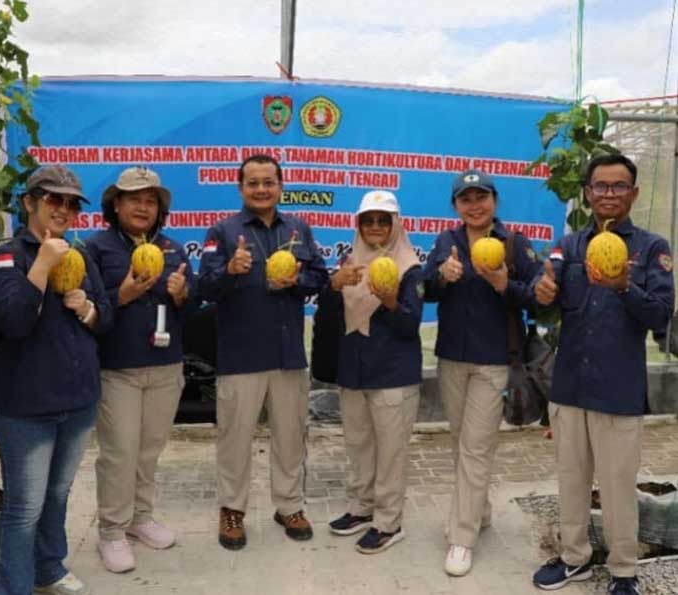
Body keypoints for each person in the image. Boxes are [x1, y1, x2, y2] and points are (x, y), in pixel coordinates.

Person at [531, 154, 674, 595]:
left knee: (616, 487)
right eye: (600, 186)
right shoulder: (569, 246)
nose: (608, 194)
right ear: (588, 192)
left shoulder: (652, 249)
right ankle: (574, 557)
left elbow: (661, 313)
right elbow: (547, 307)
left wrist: (622, 286)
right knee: (571, 481)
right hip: (571, 384)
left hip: (618, 389)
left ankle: (624, 571)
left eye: (618, 186)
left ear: (632, 192)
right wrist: (542, 294)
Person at [0, 165, 112, 595]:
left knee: (58, 494)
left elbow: (105, 318)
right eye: (54, 199)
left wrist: (87, 308)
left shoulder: (82, 254)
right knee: (24, 507)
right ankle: (13, 586)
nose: (64, 209)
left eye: (72, 203)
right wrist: (41, 266)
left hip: (78, 400)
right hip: (26, 407)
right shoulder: (7, 257)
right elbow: (15, 321)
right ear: (29, 203)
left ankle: (49, 568)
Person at [198, 154, 329, 550]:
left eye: (268, 182)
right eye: (252, 183)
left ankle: (289, 505)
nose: (261, 189)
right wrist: (230, 272)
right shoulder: (222, 231)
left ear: (280, 186)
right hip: (242, 354)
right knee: (234, 438)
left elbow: (320, 278)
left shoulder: (299, 228)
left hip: (289, 354)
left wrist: (297, 280)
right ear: (241, 188)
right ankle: (232, 509)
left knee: (291, 436)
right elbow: (204, 288)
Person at [423, 169, 541, 576]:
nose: (475, 205)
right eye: (466, 198)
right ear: (456, 206)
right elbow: (425, 288)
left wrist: (505, 283)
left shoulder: (514, 244)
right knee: (461, 442)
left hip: (495, 362)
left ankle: (462, 536)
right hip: (452, 359)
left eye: (482, 196)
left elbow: (538, 299)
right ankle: (480, 509)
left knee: (475, 447)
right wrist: (442, 276)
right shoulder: (447, 242)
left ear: (495, 200)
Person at [85, 166, 194, 573]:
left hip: (166, 366)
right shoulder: (95, 250)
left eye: (151, 201)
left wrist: (184, 295)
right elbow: (90, 309)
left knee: (149, 450)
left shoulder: (172, 248)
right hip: (119, 369)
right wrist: (123, 294)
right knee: (119, 453)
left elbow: (192, 301)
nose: (143, 207)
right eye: (134, 199)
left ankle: (139, 518)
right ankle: (111, 531)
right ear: (116, 204)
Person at [325, 190, 423, 554]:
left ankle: (388, 521)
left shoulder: (410, 267)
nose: (376, 227)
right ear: (359, 225)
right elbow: (332, 315)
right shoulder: (350, 261)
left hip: (393, 374)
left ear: (396, 224)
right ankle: (361, 508)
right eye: (369, 221)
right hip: (354, 370)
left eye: (384, 220)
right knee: (358, 446)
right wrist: (335, 285)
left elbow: (411, 325)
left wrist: (392, 300)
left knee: (391, 452)